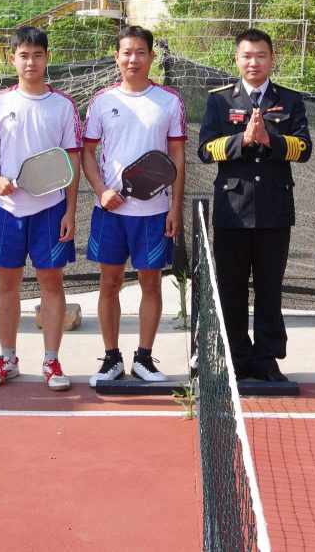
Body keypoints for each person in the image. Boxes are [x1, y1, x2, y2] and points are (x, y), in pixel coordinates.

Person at [0, 27, 82, 391]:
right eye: (23, 55)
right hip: (7, 210)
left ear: (47, 58)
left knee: (52, 283)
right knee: (7, 285)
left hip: (51, 210)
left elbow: (73, 162)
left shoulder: (63, 106)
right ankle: (8, 358)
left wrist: (70, 211)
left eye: (37, 55)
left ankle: (51, 361)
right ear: (12, 59)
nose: (30, 62)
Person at [197, 28, 312, 381]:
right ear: (236, 59)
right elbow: (205, 149)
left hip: (275, 209)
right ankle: (235, 357)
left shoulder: (290, 100)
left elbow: (304, 148)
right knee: (231, 289)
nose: (254, 62)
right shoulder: (220, 101)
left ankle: (266, 359)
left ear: (272, 59)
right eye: (247, 56)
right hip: (232, 209)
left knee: (269, 288)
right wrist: (242, 141)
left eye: (261, 55)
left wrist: (269, 139)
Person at [82, 26, 187, 386]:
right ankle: (111, 359)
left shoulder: (169, 101)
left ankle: (144, 359)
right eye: (127, 52)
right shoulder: (101, 101)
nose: (133, 59)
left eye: (141, 52)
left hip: (154, 214)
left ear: (151, 57)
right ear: (117, 57)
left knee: (151, 285)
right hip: (109, 212)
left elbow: (177, 156)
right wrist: (101, 190)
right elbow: (87, 153)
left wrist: (174, 207)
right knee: (109, 284)